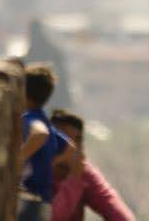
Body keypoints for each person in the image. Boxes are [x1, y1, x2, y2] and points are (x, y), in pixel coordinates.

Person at [49, 109, 134, 221]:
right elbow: (51, 217)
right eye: (63, 142)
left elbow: (120, 216)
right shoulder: (34, 169)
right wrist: (74, 180)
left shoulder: (83, 172)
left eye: (77, 142)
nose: (71, 149)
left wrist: (76, 176)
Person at [20, 63, 75, 221]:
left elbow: (40, 133)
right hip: (44, 202)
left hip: (28, 199)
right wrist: (49, 164)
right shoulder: (48, 123)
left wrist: (19, 158)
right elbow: (70, 148)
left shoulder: (29, 118)